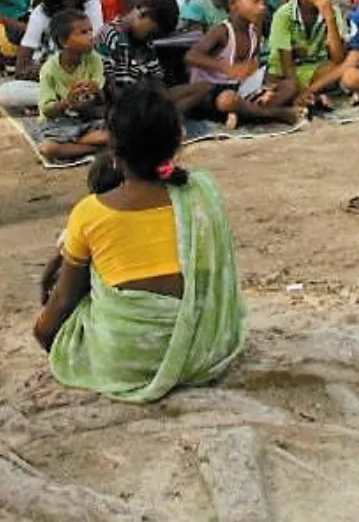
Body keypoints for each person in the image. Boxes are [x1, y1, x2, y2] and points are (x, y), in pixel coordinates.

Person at [34, 84, 247, 402]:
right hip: (204, 349)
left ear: (113, 148)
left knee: (83, 282)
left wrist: (44, 335)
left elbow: (63, 301)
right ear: (178, 140)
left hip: (125, 359)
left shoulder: (90, 212)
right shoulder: (203, 191)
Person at [268, 0, 349, 109]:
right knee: (286, 87)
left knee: (336, 69)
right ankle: (310, 97)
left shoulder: (333, 11)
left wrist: (330, 19)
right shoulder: (284, 14)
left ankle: (309, 95)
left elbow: (338, 58)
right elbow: (285, 63)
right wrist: (299, 89)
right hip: (284, 72)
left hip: (312, 70)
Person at [36, 11, 109, 162]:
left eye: (90, 31)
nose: (91, 36)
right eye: (83, 33)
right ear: (64, 42)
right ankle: (97, 148)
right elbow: (48, 111)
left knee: (118, 133)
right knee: (48, 148)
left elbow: (101, 100)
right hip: (59, 125)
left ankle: (77, 146)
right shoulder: (49, 69)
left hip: (87, 120)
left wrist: (97, 91)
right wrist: (67, 102)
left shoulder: (94, 59)